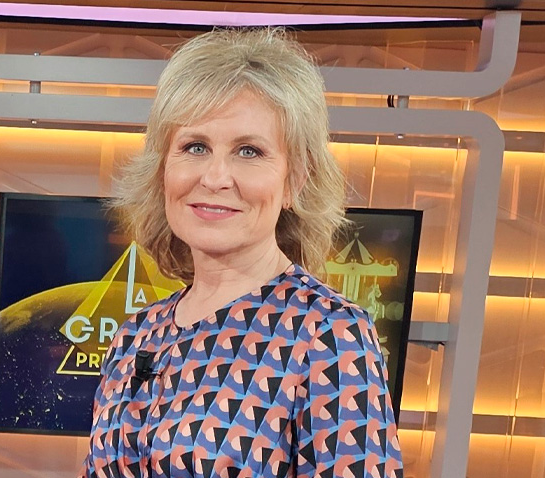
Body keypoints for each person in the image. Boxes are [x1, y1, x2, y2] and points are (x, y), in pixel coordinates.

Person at [80, 28, 403, 478]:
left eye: (248, 151)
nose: (215, 177)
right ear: (163, 168)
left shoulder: (329, 335)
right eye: (195, 147)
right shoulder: (136, 334)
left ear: (295, 181)